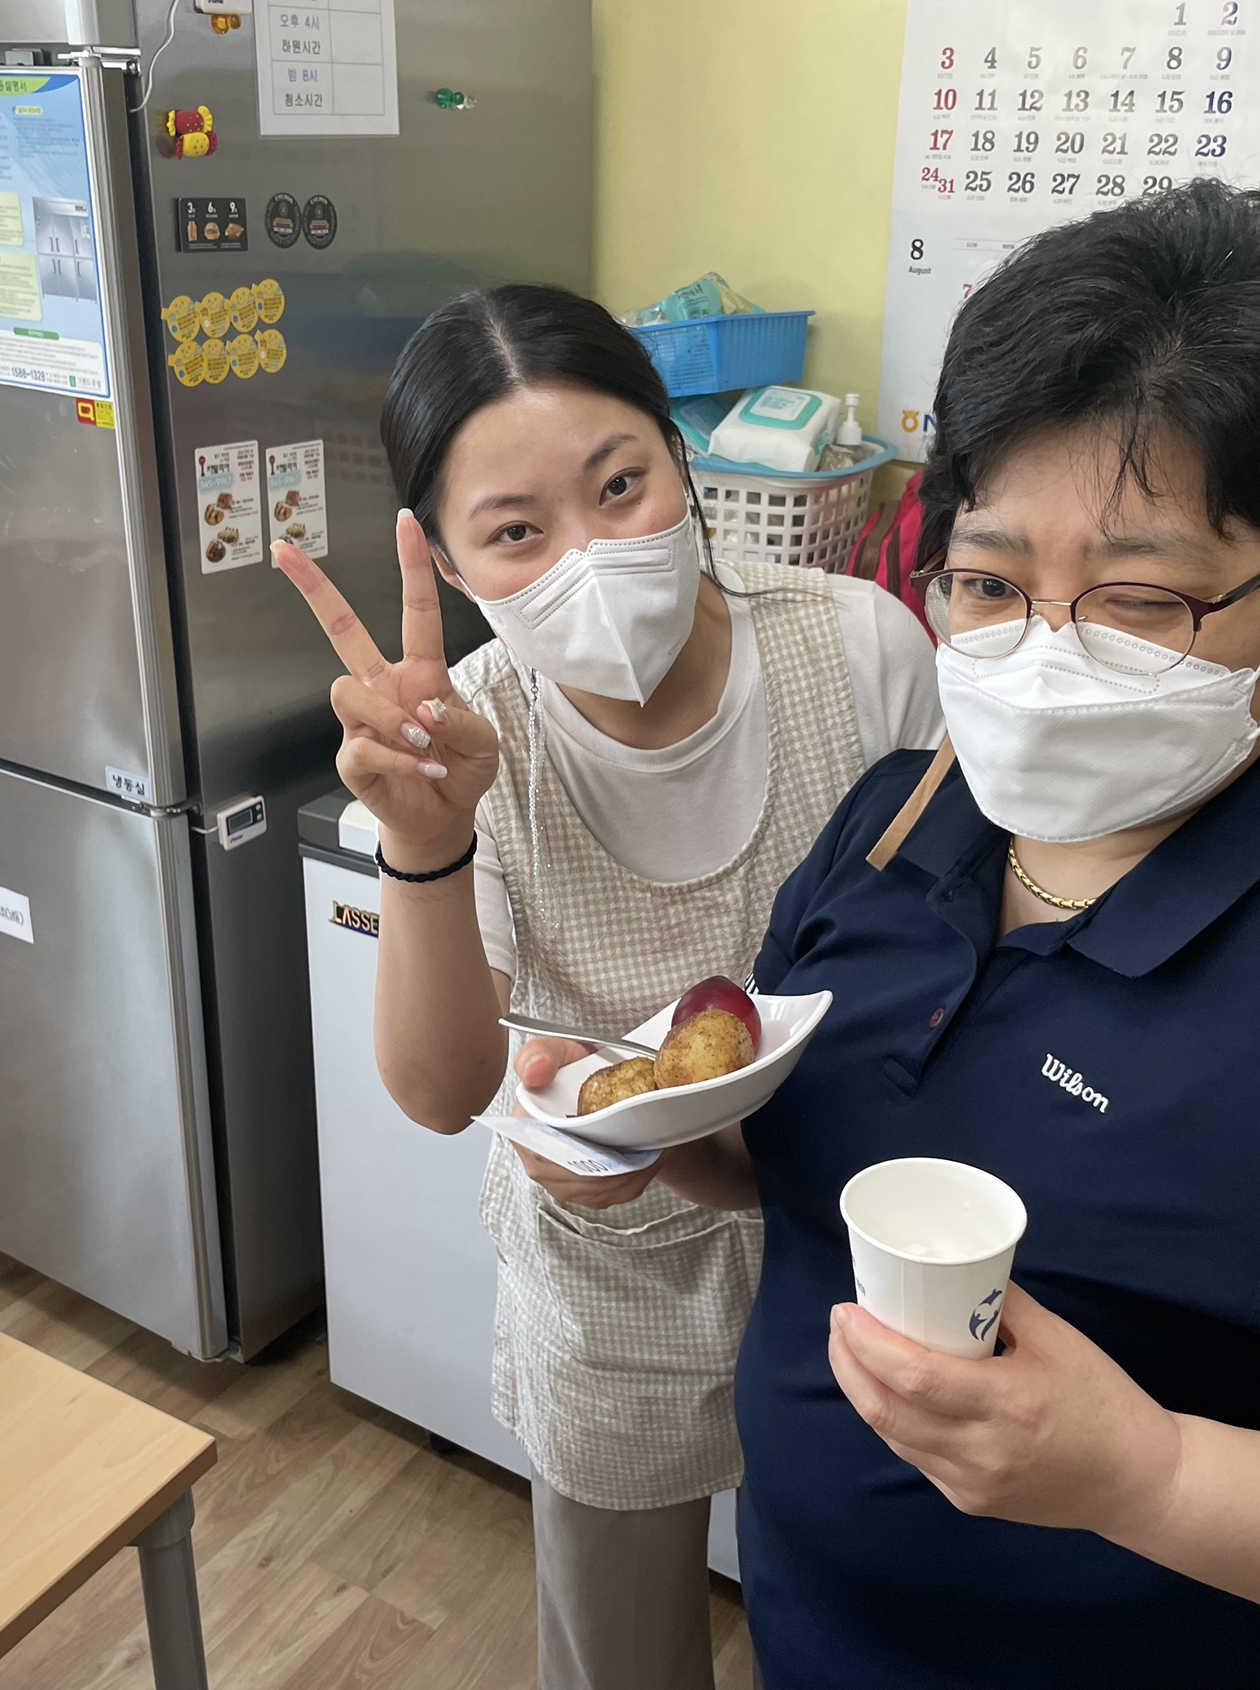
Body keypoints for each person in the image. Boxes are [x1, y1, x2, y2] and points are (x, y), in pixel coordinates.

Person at [652, 183, 1260, 1687]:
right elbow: (801, 1165)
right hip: (808, 1629)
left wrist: (1144, 1473)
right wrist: (662, 1141)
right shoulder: (896, 823)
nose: (1044, 652)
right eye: (989, 581)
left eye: (1141, 599)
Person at [272, 282, 941, 1690]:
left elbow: (949, 953)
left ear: (683, 461)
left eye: (620, 485)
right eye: (516, 530)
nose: (590, 555)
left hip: (847, 1246)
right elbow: (442, 1088)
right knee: (620, 1657)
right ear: (454, 566)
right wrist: (426, 844)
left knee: (870, 1631)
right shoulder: (466, 736)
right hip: (610, 1288)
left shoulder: (861, 646)